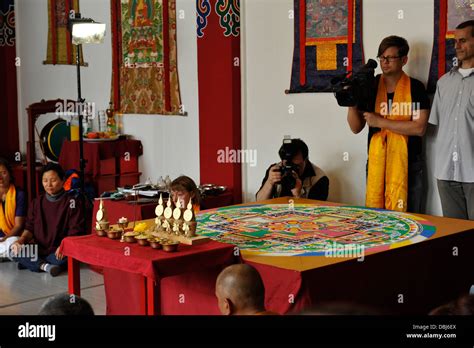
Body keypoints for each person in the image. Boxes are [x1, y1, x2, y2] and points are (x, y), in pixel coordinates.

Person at [346, 36, 430, 213]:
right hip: (377, 161)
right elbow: (355, 127)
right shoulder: (371, 85)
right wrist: (352, 101)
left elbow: (419, 128)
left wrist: (381, 122)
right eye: (382, 57)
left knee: (410, 218)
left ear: (404, 60)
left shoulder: (415, 88)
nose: (385, 62)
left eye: (390, 58)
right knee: (378, 219)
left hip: (409, 163)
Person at [429, 20, 474, 220]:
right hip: (446, 173)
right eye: (455, 41)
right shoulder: (443, 82)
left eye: (463, 41)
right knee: (455, 238)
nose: (457, 46)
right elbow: (439, 126)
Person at [10, 163, 85, 277]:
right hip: (39, 249)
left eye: (53, 180)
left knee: (69, 257)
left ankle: (32, 263)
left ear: (63, 180)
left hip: (59, 250)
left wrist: (65, 246)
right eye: (45, 180)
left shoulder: (72, 202)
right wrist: (21, 240)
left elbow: (75, 231)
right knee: (13, 249)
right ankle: (45, 266)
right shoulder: (37, 202)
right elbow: (29, 228)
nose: (49, 184)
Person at [256, 138, 329, 201]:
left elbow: (315, 212)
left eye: (296, 166)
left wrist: (298, 195)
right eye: (287, 164)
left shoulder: (319, 178)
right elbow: (259, 202)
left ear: (306, 160)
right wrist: (269, 182)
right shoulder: (275, 170)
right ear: (282, 161)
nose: (291, 169)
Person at [0, 158, 26, 261]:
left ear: (10, 174)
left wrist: (4, 239)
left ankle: (6, 254)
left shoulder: (19, 194)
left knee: (14, 242)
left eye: (4, 173)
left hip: (11, 237)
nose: (0, 177)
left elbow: (18, 226)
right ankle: (6, 255)